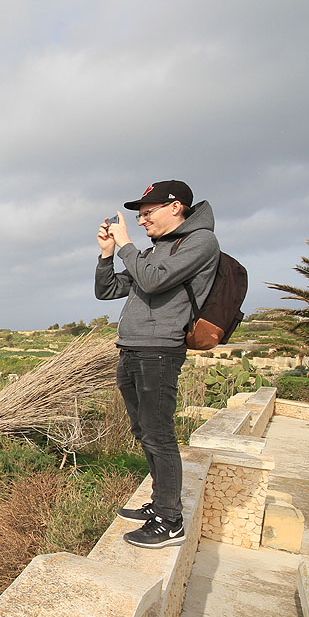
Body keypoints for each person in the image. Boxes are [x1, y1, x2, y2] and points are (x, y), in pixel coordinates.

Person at [95, 180, 220, 548]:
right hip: (132, 349)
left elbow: (152, 282)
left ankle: (170, 520)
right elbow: (107, 290)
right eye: (138, 215)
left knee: (159, 433)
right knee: (144, 431)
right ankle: (159, 503)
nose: (141, 220)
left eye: (147, 213)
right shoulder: (152, 251)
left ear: (176, 207)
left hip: (159, 351)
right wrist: (106, 253)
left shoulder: (200, 242)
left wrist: (126, 245)